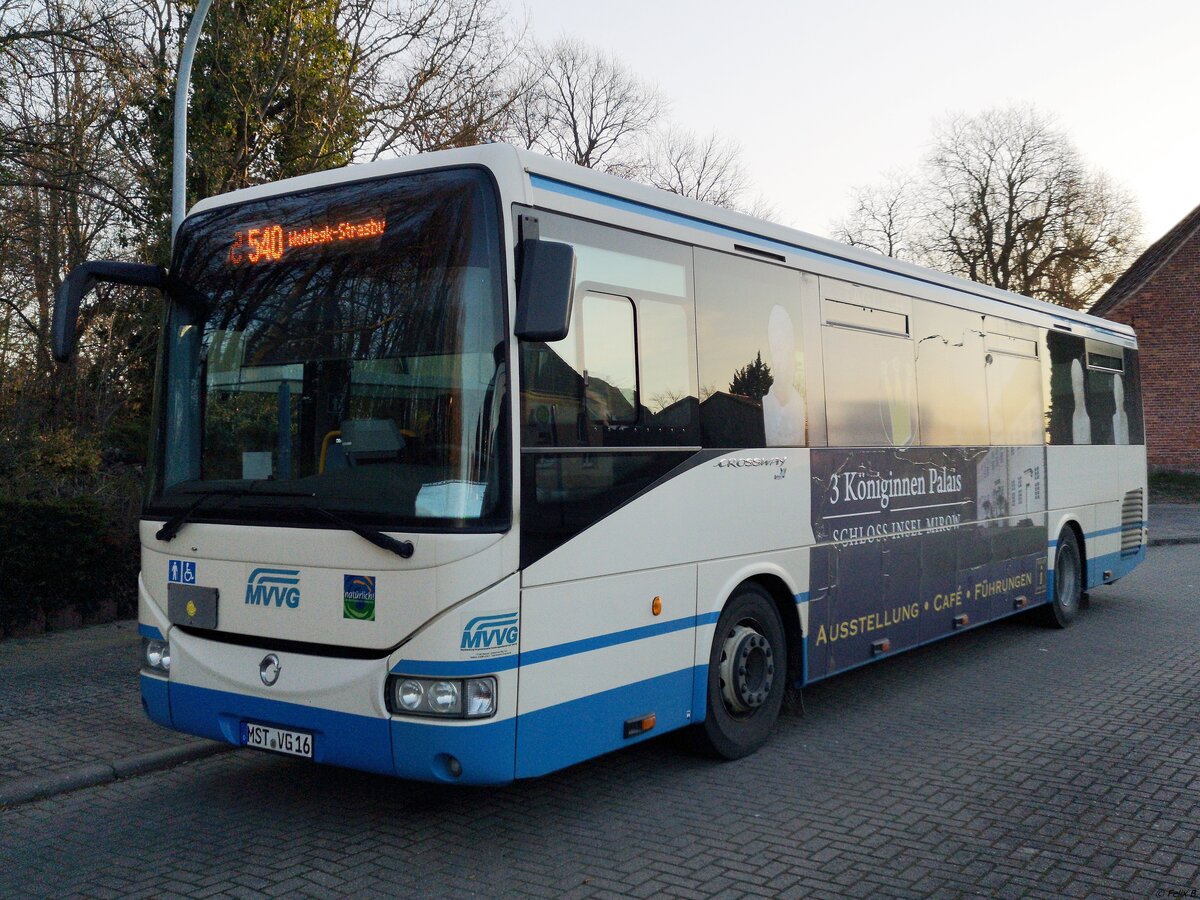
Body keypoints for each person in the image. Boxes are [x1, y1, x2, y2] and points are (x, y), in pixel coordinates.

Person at [762, 304, 806, 446]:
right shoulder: (762, 407)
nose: (781, 358)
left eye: (786, 349)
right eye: (777, 349)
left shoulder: (802, 405)